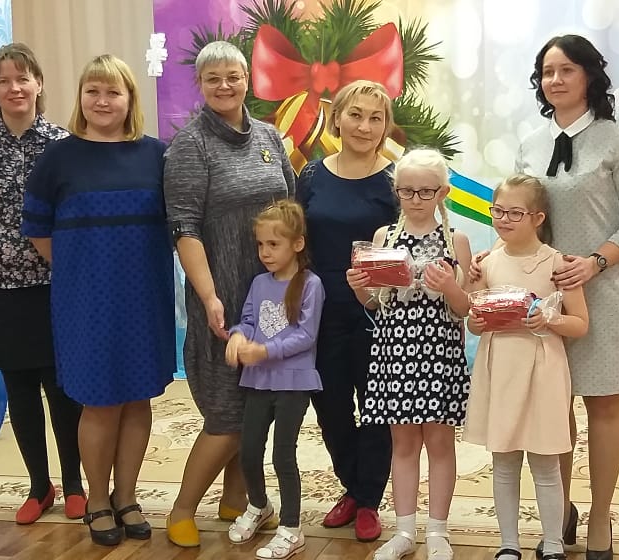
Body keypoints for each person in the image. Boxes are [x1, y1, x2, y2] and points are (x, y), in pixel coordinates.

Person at [474, 35, 619, 559]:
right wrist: (494, 258)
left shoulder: (616, 141)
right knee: (554, 410)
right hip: (541, 298)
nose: (555, 80)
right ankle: (562, 513)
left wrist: (595, 261)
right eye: (547, 71)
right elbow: (521, 213)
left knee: (603, 405)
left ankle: (600, 516)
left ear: (589, 76)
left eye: (566, 70)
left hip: (605, 291)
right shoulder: (531, 144)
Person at [22, 54, 176, 546]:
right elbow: (37, 230)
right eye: (93, 91)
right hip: (85, 300)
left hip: (144, 296)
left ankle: (127, 497)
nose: (102, 100)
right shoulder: (59, 158)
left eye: (113, 92)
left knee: (138, 399)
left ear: (130, 99)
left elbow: (177, 224)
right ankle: (98, 500)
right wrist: (81, 266)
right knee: (101, 402)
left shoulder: (156, 155)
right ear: (80, 97)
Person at [162, 40, 296, 548]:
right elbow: (184, 228)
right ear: (200, 84)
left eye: (233, 76)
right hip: (221, 297)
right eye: (213, 77)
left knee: (258, 407)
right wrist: (210, 297)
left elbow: (290, 209)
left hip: (271, 296)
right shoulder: (190, 146)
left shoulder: (268, 136)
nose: (224, 85)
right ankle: (181, 509)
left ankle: (238, 500)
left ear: (247, 81)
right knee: (227, 414)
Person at [0, 42, 84, 525]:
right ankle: (38, 487)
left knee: (61, 388)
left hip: (52, 282)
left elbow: (73, 216)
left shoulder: (62, 143)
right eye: (4, 80)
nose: (14, 88)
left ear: (38, 83)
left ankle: (75, 485)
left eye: (22, 78)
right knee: (20, 387)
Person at [348, 148, 471, 560]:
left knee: (439, 441)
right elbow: (373, 303)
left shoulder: (456, 241)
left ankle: (437, 531)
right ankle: (403, 530)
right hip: (394, 350)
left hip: (439, 351)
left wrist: (449, 286)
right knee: (402, 443)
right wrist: (359, 287)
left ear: (443, 193)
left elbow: (465, 308)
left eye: (425, 192)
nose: (416, 199)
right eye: (407, 191)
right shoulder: (384, 238)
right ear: (396, 191)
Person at [465, 174, 590, 560]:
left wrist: (550, 319)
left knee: (546, 462)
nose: (504, 219)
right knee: (503, 461)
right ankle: (508, 544)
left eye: (515, 213)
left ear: (537, 218)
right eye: (498, 211)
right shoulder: (487, 263)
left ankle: (553, 543)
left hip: (543, 371)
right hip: (500, 369)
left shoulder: (558, 264)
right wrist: (476, 316)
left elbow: (580, 324)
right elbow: (473, 321)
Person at [296, 80, 399, 542]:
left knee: (376, 408)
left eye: (376, 118)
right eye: (355, 115)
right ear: (336, 118)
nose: (364, 126)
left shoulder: (395, 180)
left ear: (386, 126)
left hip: (378, 311)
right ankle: (353, 487)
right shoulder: (312, 176)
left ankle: (368, 500)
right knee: (331, 407)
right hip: (321, 311)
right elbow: (297, 241)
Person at [225, 200, 325, 559]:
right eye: (260, 244)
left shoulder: (311, 285)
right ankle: (259, 505)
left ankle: (291, 528)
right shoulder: (259, 283)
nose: (264, 252)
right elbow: (249, 320)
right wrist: (238, 336)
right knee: (249, 450)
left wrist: (265, 351)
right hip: (257, 381)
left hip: (293, 384)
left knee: (283, 455)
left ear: (297, 244)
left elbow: (306, 336)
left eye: (273, 244)